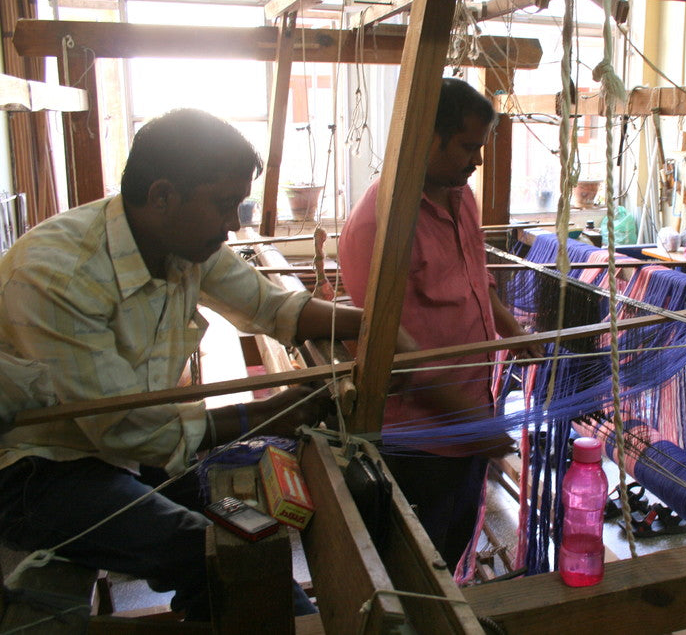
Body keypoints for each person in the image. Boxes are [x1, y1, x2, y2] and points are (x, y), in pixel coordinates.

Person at [0, 109, 414, 620]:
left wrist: (374, 328)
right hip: (34, 473)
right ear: (162, 196)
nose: (233, 223)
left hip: (116, 453)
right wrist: (267, 414)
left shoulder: (181, 243)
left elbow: (270, 307)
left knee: (245, 529)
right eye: (223, 205)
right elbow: (127, 428)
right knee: (204, 552)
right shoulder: (57, 276)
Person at [338, 78, 542, 572]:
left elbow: (477, 279)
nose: (478, 161)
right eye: (468, 147)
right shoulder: (379, 225)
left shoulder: (459, 196)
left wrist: (513, 332)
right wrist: (478, 425)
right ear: (428, 139)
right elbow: (396, 358)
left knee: (451, 548)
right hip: (419, 442)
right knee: (415, 568)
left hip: (471, 417)